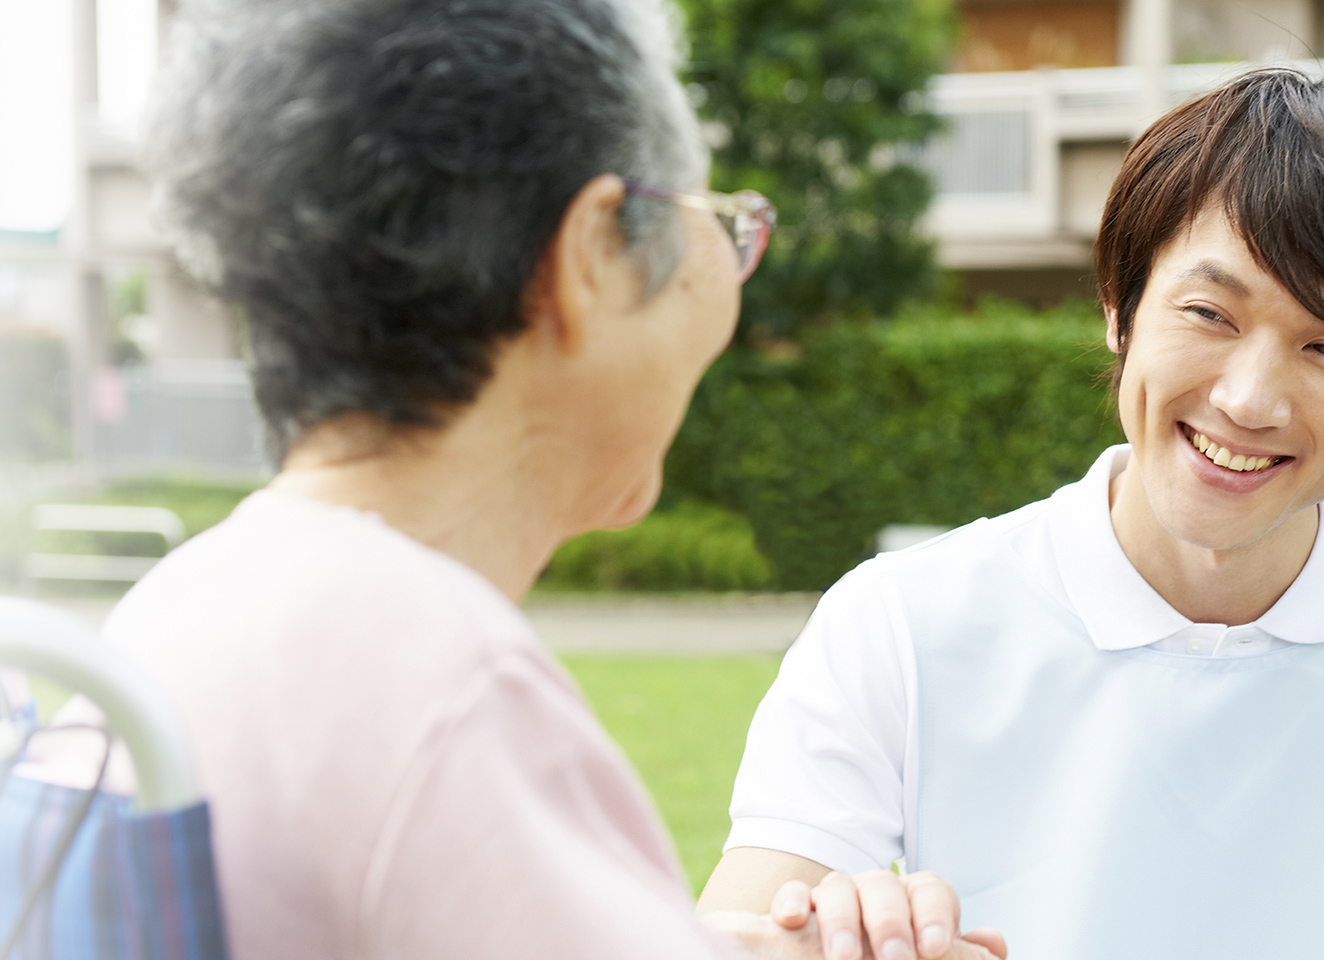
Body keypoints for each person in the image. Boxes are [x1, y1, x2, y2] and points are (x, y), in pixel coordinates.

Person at [98, 1, 1003, 958]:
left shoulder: (189, 605)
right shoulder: (433, 676)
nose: (727, 284)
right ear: (591, 256)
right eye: (711, 221)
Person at [699, 69, 1324, 959]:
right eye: (1208, 312)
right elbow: (746, 933)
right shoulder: (899, 621)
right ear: (1118, 311)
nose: (1249, 400)